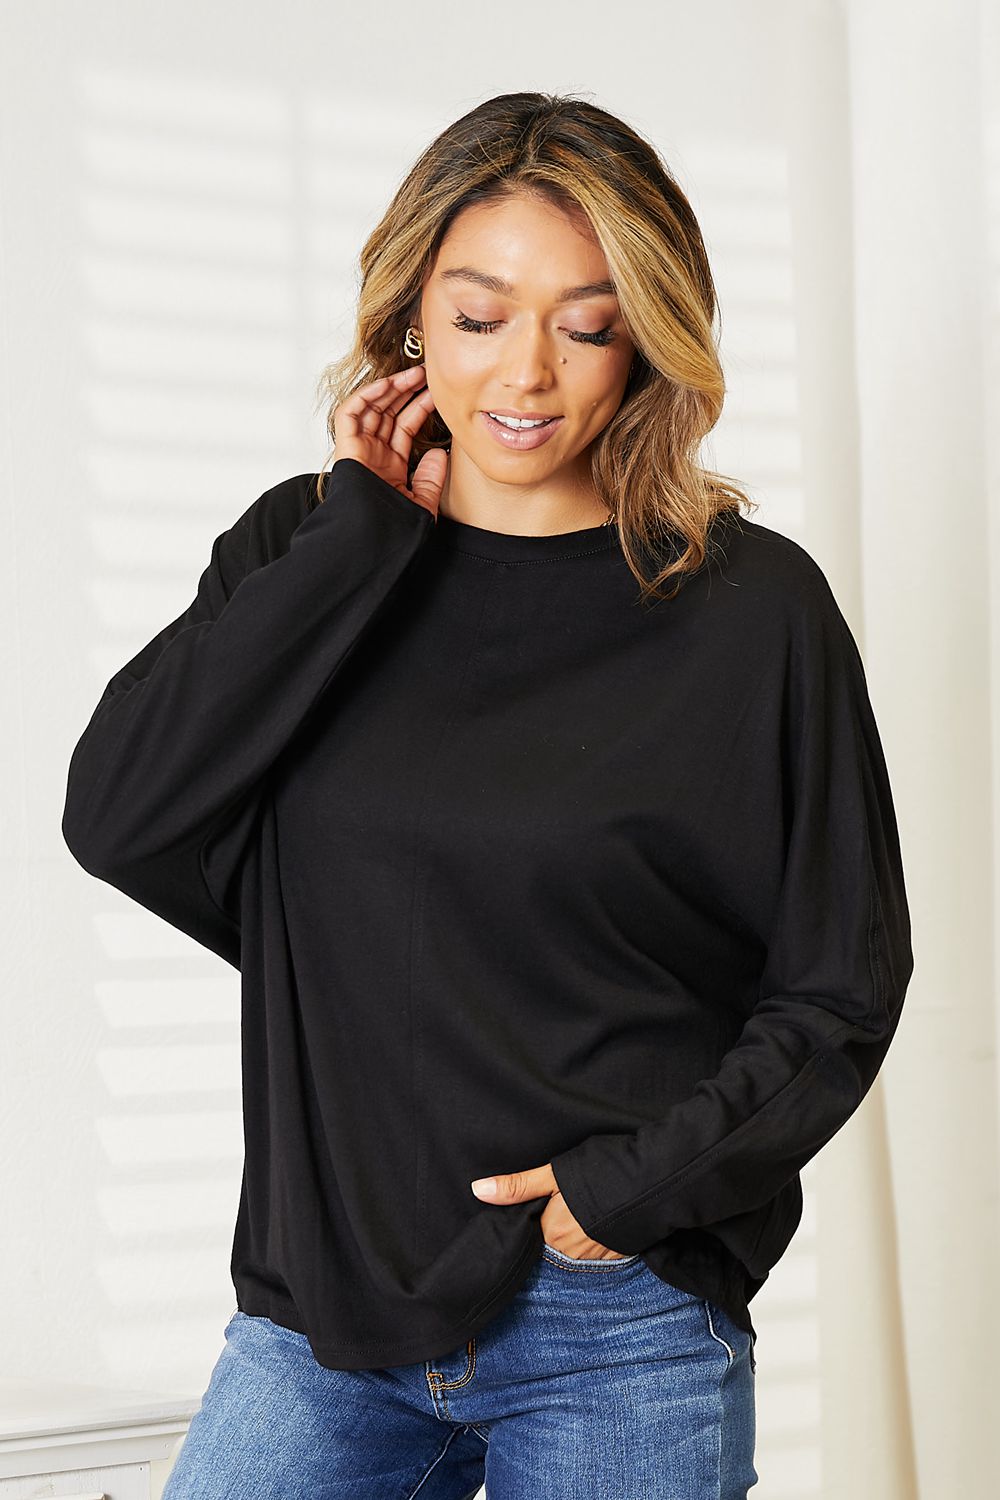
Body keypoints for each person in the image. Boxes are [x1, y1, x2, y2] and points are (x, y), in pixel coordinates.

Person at [61, 91, 913, 1499]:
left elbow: (840, 985)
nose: (528, 372)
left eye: (586, 325)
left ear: (646, 337)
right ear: (411, 319)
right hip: (320, 1319)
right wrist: (360, 538)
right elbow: (119, 815)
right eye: (478, 316)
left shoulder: (753, 610)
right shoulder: (304, 548)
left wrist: (625, 1197)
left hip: (611, 1325)